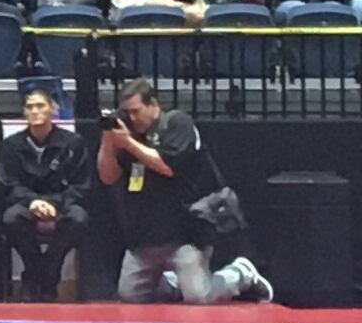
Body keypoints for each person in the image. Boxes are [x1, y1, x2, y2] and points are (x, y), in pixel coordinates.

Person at [99, 77, 254, 304]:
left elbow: (167, 166)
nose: (131, 118)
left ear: (153, 104)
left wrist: (128, 143)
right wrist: (108, 141)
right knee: (129, 296)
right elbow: (108, 176)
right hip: (145, 238)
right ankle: (173, 282)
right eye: (126, 113)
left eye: (136, 111)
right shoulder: (128, 135)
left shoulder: (177, 123)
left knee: (199, 296)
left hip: (185, 234)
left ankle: (240, 274)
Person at [0, 84, 91, 301]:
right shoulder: (11, 145)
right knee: (11, 218)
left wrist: (55, 204)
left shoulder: (73, 142)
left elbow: (81, 185)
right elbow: (9, 184)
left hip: (63, 203)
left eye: (40, 105)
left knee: (78, 218)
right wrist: (33, 202)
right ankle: (37, 270)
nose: (35, 111)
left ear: (52, 109)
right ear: (24, 112)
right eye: (29, 107)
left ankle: (48, 272)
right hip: (27, 204)